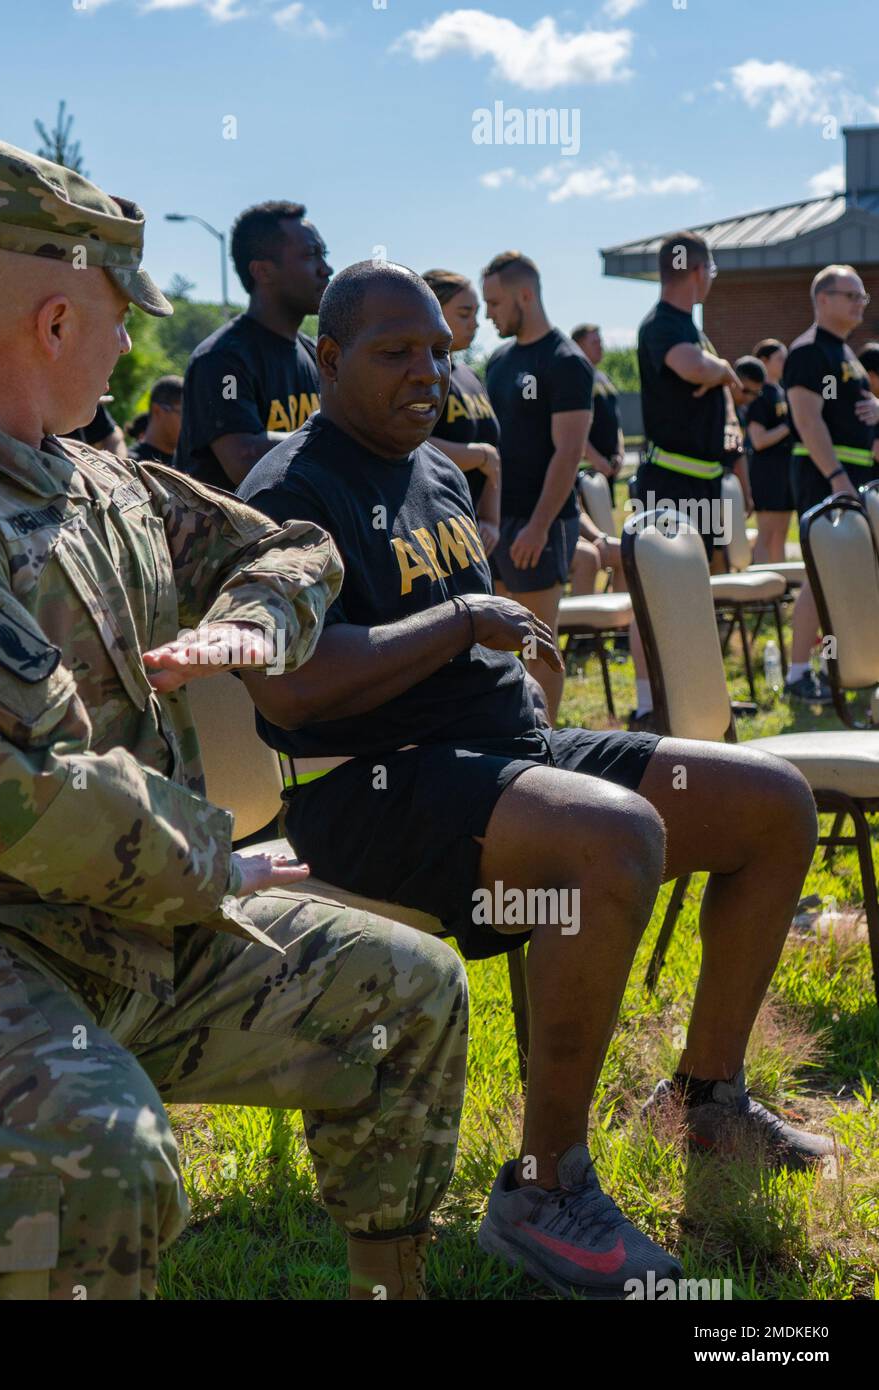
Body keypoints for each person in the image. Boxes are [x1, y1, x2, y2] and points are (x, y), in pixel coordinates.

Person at [0, 139, 470, 1302]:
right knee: (92, 1145)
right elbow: (32, 797)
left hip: (121, 926)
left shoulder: (85, 472)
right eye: (116, 316)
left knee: (409, 991)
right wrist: (217, 864)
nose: (132, 341)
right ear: (51, 324)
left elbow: (288, 547)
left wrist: (252, 623)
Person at [237, 260, 830, 1300]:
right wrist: (464, 620)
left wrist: (507, 651)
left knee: (770, 802)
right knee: (609, 838)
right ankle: (542, 1185)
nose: (426, 372)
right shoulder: (290, 490)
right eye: (393, 354)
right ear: (326, 360)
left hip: (501, 759)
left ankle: (702, 1097)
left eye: (436, 351)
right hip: (369, 788)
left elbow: (456, 635)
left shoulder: (426, 470)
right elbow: (291, 688)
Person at [630, 231, 742, 721]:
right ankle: (647, 704)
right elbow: (692, 369)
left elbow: (710, 376)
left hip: (705, 482)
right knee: (653, 589)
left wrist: (720, 375)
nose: (712, 280)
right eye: (711, 271)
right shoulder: (662, 325)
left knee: (702, 587)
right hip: (667, 484)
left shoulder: (694, 328)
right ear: (697, 271)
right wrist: (722, 371)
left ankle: (698, 693)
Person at [482, 251, 593, 716]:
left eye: (496, 303)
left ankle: (545, 742)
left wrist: (539, 526)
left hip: (540, 524)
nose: (489, 314)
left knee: (535, 640)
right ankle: (514, 735)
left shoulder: (566, 361)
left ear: (525, 295)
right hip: (501, 522)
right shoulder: (500, 361)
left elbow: (569, 453)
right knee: (501, 641)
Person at [173, 201, 331, 489]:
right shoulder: (222, 359)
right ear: (263, 272)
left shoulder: (312, 352)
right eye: (311, 255)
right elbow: (244, 460)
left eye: (324, 254)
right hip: (234, 534)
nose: (326, 268)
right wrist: (341, 440)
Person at [782, 265, 879, 702]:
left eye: (863, 297)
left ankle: (838, 665)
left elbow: (850, 410)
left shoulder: (846, 354)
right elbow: (807, 420)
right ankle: (798, 674)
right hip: (827, 476)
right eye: (851, 295)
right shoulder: (808, 353)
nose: (861, 303)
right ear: (823, 299)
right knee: (820, 573)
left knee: (846, 574)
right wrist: (838, 477)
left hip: (854, 476)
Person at [422, 269, 501, 559]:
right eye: (465, 313)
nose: (476, 324)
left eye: (477, 314)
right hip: (434, 529)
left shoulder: (469, 375)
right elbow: (414, 445)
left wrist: (491, 520)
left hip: (476, 533)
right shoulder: (420, 375)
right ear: (432, 311)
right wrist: (479, 455)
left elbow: (494, 454)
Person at [744, 346, 795, 564]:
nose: (785, 362)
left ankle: (779, 586)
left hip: (786, 471)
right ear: (763, 360)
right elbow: (759, 440)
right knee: (767, 533)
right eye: (780, 358)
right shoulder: (759, 394)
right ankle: (763, 585)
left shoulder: (782, 391)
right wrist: (790, 426)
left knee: (781, 533)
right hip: (767, 472)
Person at [570, 323, 625, 480]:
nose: (600, 347)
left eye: (600, 342)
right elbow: (573, 427)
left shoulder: (603, 378)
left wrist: (620, 454)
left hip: (608, 467)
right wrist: (596, 459)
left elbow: (616, 422)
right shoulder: (574, 379)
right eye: (594, 343)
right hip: (587, 471)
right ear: (578, 345)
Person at [129, 374, 183, 465]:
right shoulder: (129, 464)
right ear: (157, 411)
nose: (191, 423)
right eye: (183, 413)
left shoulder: (190, 468)